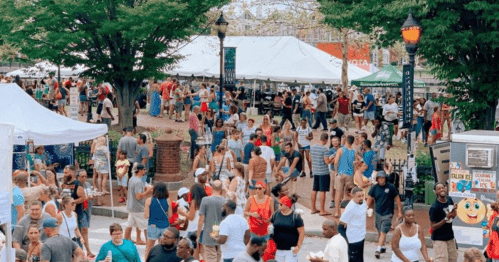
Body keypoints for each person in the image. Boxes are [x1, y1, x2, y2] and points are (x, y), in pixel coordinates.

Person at [366, 171, 403, 259]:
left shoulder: (391, 187)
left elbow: (397, 199)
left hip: (388, 213)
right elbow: (369, 198)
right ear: (377, 179)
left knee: (383, 230)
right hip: (378, 212)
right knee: (379, 229)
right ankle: (382, 246)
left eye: (382, 178)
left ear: (385, 179)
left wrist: (399, 211)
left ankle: (378, 249)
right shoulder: (374, 188)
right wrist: (365, 209)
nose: (381, 180)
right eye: (379, 178)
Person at [198, 180, 227, 262]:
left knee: (211, 258)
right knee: (218, 257)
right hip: (222, 234)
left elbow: (201, 219)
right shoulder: (225, 201)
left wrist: (198, 235)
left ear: (211, 188)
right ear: (221, 189)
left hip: (208, 234)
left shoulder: (205, 200)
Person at [125, 163, 153, 245]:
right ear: (140, 171)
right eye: (144, 169)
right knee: (145, 226)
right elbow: (138, 196)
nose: (145, 171)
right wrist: (147, 191)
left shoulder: (131, 179)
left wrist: (144, 190)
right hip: (138, 207)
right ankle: (149, 243)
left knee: (129, 224)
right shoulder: (138, 182)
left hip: (131, 206)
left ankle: (126, 240)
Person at [429, 182, 458, 262]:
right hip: (439, 239)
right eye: (439, 189)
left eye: (443, 187)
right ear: (435, 192)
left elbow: (453, 215)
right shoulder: (434, 207)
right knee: (442, 260)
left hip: (450, 237)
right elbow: (433, 226)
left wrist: (454, 210)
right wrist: (446, 218)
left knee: (453, 259)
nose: (442, 189)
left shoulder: (449, 199)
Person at [271, 194, 304, 262]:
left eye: (281, 204)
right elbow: (271, 226)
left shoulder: (295, 217)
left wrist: (298, 246)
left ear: (287, 205)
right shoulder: (276, 214)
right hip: (278, 248)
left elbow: (302, 232)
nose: (278, 205)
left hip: (291, 249)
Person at [144, 182, 173, 258]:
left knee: (149, 247)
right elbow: (170, 215)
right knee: (163, 247)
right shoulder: (168, 200)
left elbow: (146, 216)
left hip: (153, 225)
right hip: (165, 226)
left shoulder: (149, 200)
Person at [339, 187, 367, 262]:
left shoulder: (363, 202)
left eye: (362, 195)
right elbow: (342, 221)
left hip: (362, 235)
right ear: (353, 196)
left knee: (360, 258)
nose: (361, 198)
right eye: (359, 196)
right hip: (353, 238)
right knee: (353, 259)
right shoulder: (350, 208)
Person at [333, 135, 356, 218]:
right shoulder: (354, 151)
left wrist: (336, 171)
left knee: (338, 193)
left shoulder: (340, 150)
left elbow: (336, 162)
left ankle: (336, 211)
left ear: (346, 140)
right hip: (349, 174)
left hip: (340, 173)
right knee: (347, 194)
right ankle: (346, 211)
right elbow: (355, 164)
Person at [310, 133, 332, 216]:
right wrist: (331, 159)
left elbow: (309, 159)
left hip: (315, 171)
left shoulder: (312, 147)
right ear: (326, 140)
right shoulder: (325, 149)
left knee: (314, 189)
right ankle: (322, 210)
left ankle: (313, 208)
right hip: (323, 172)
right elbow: (326, 161)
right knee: (322, 191)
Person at [77, 169, 95, 258]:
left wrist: (91, 196)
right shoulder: (77, 186)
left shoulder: (87, 184)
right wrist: (86, 198)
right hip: (81, 210)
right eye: (82, 176)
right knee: (84, 230)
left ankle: (85, 251)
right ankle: (86, 250)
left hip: (88, 209)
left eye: (85, 176)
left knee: (84, 230)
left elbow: (90, 194)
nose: (84, 178)